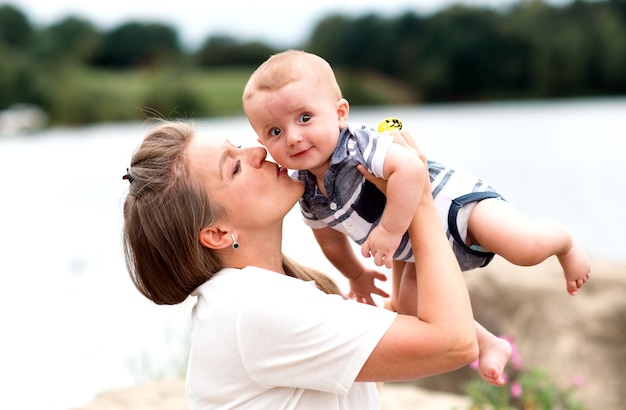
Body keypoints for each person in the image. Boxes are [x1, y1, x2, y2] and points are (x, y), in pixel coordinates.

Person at [242, 49, 591, 386]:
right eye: (275, 131)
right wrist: (356, 274)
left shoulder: (358, 146)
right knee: (411, 307)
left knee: (524, 248)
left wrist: (390, 230)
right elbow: (330, 240)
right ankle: (488, 343)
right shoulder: (307, 192)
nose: (293, 137)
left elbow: (410, 170)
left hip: (456, 207)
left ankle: (563, 241)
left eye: (305, 118)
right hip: (418, 247)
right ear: (260, 139)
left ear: (340, 113)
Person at [121, 120, 478, 410]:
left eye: (238, 146)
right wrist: (420, 201)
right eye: (234, 166)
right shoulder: (255, 306)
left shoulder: (252, 299)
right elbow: (453, 343)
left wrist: (393, 215)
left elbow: (404, 343)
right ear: (217, 233)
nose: (258, 151)